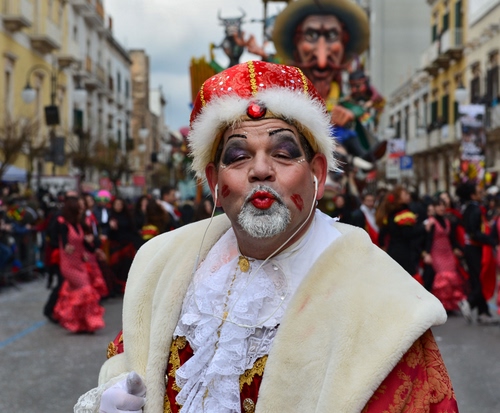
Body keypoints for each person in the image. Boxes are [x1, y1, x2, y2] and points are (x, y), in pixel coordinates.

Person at [75, 61, 457, 413]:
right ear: (214, 182)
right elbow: (130, 360)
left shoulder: (384, 306)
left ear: (318, 173)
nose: (260, 169)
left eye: (284, 153)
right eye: (238, 155)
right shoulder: (163, 264)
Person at [52, 195, 105, 333]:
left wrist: (95, 251)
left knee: (79, 293)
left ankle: (79, 324)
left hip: (80, 263)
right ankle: (90, 321)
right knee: (86, 290)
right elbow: (62, 240)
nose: (82, 211)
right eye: (79, 209)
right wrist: (66, 246)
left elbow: (84, 245)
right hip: (69, 265)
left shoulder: (79, 225)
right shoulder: (64, 225)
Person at [455, 181, 497, 325]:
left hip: (471, 248)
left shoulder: (468, 208)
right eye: (479, 192)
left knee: (477, 279)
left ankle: (483, 312)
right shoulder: (475, 210)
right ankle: (468, 302)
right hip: (474, 249)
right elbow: (474, 233)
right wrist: (491, 241)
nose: (481, 194)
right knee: (480, 280)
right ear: (472, 195)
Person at [422, 199, 466, 313]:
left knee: (452, 278)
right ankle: (442, 305)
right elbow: (428, 240)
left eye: (443, 206)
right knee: (443, 278)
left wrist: (457, 249)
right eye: (438, 206)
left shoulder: (447, 222)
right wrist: (426, 253)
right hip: (436, 253)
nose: (441, 208)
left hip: (448, 252)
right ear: (434, 208)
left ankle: (450, 305)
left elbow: (452, 239)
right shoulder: (431, 222)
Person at [375, 186, 426, 282]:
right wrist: (423, 228)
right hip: (404, 253)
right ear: (399, 199)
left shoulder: (389, 215)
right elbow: (408, 234)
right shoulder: (403, 214)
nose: (408, 195)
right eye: (405, 194)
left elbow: (381, 237)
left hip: (392, 251)